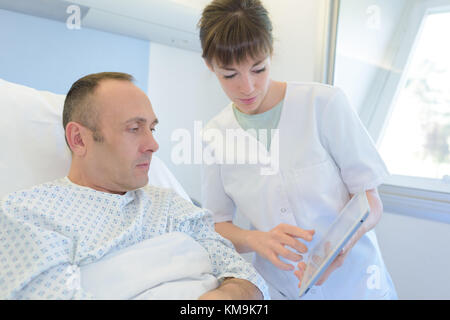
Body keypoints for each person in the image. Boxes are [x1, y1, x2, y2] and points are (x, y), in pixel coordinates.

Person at [0, 72, 269, 300]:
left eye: (151, 128)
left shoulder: (172, 205)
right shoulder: (30, 214)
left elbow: (248, 278)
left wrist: (222, 296)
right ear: (79, 139)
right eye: (134, 129)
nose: (153, 145)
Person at [199, 0, 397, 299]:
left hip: (357, 283)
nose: (248, 87)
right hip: (285, 288)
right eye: (230, 75)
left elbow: (370, 199)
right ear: (209, 65)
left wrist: (340, 247)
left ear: (270, 54)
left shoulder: (323, 104)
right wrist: (254, 239)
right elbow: (217, 225)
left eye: (258, 69)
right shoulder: (215, 134)